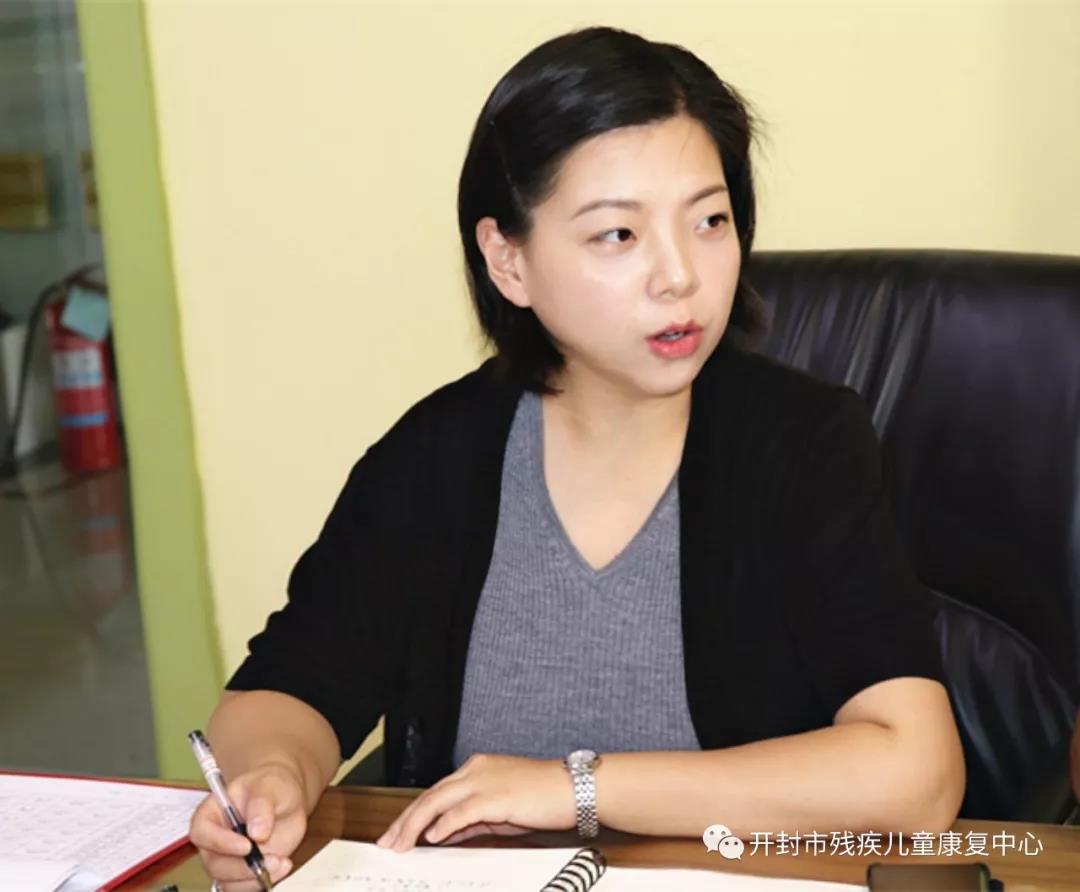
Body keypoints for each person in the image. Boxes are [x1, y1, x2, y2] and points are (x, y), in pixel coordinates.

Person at [189, 25, 966, 888]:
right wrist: (269, 781)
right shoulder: (437, 458)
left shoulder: (802, 444)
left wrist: (575, 788)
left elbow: (918, 778)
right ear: (508, 261)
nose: (679, 275)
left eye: (709, 221)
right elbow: (286, 690)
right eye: (618, 235)